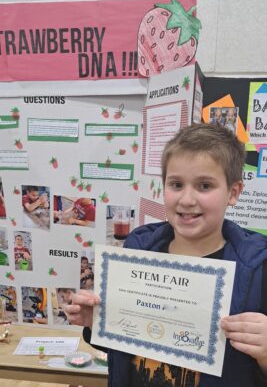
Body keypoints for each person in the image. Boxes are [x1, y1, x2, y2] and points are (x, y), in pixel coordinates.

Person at [63, 123, 267, 387]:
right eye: (176, 184)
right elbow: (123, 346)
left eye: (204, 185)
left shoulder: (257, 267)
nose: (186, 199)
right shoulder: (139, 247)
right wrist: (97, 322)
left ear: (234, 192)